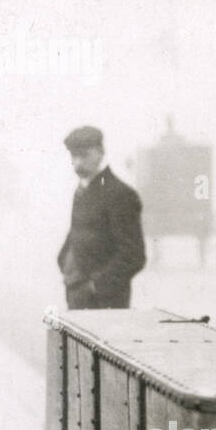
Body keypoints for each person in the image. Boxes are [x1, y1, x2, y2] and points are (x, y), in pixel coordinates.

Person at [57, 125, 146, 309]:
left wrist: (95, 286)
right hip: (77, 294)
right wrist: (63, 260)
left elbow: (133, 255)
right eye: (74, 156)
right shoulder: (82, 190)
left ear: (100, 152)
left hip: (105, 302)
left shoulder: (120, 194)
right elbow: (78, 230)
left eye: (84, 155)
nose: (78, 163)